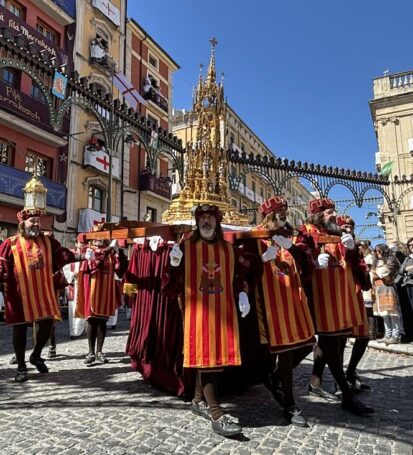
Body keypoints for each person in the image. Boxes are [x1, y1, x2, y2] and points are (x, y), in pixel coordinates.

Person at [164, 204, 248, 437]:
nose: (206, 222)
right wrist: (173, 265)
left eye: (210, 218)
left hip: (223, 313)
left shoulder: (228, 249)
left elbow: (238, 275)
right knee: (207, 359)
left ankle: (197, 400)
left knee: (212, 359)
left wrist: (242, 293)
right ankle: (216, 413)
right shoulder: (186, 247)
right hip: (197, 313)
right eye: (202, 218)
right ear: (197, 222)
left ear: (217, 222)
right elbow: (170, 285)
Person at [237, 196, 315, 427]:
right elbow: (242, 268)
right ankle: (289, 403)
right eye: (280, 211)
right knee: (285, 351)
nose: (284, 214)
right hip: (268, 304)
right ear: (269, 215)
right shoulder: (255, 237)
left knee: (306, 345)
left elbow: (307, 267)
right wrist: (261, 260)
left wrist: (292, 248)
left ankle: (277, 377)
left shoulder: (292, 236)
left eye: (285, 211)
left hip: (294, 302)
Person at [296, 198, 373, 416]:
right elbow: (297, 257)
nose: (333, 215)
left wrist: (352, 249)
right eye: (329, 212)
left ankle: (313, 382)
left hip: (339, 298)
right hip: (320, 299)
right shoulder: (306, 232)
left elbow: (352, 262)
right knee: (330, 346)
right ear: (318, 214)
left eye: (333, 211)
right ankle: (346, 394)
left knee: (331, 342)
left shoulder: (337, 232)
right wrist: (312, 260)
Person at [0, 209, 87, 382]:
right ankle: (21, 367)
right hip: (19, 295)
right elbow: (2, 268)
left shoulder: (48, 241)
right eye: (32, 221)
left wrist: (83, 256)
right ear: (22, 223)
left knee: (47, 326)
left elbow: (64, 255)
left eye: (38, 221)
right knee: (20, 330)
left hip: (43, 292)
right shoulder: (10, 244)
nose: (36, 224)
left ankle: (36, 355)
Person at [76, 227, 128, 365]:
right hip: (92, 290)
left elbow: (120, 269)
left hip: (106, 290)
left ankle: (99, 351)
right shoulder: (89, 250)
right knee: (92, 320)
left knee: (102, 321)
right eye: (97, 236)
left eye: (102, 237)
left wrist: (120, 251)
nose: (99, 239)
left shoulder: (110, 253)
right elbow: (94, 264)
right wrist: (109, 249)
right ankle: (90, 352)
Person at [372, 244, 401, 344]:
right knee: (384, 314)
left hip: (388, 288)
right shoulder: (377, 262)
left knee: (392, 312)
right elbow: (373, 273)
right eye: (376, 251)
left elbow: (385, 272)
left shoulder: (390, 260)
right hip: (378, 288)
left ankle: (396, 336)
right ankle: (388, 335)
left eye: (379, 251)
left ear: (384, 251)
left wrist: (376, 272)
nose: (377, 253)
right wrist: (376, 272)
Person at [63, 235, 87, 340]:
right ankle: (74, 331)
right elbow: (65, 269)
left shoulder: (88, 255)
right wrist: (73, 275)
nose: (82, 245)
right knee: (73, 308)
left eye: (84, 243)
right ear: (76, 243)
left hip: (84, 284)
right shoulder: (71, 254)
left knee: (83, 305)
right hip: (74, 284)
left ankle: (82, 329)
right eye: (80, 243)